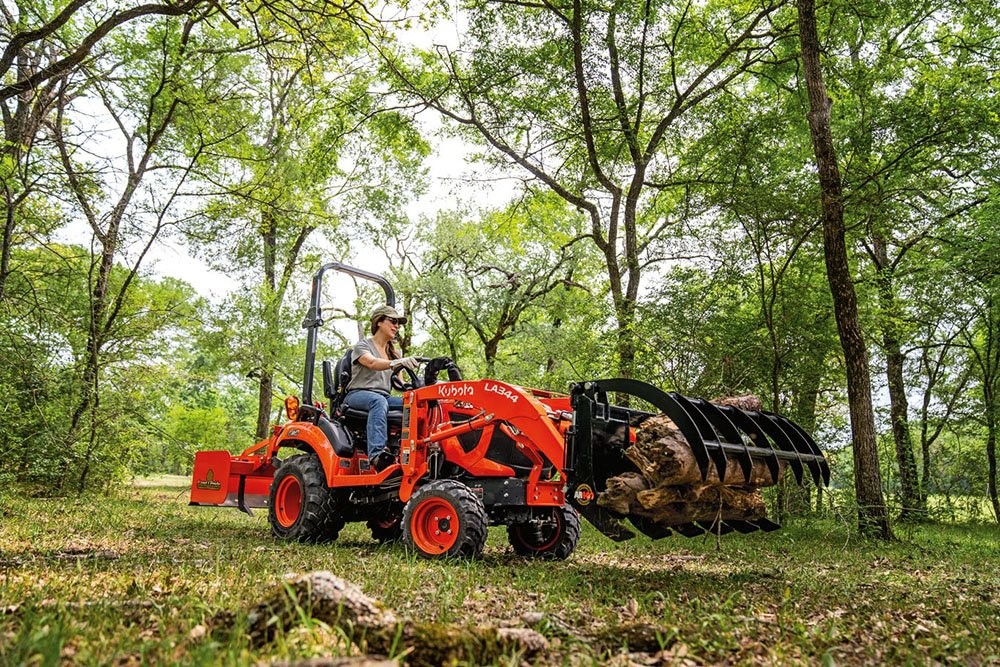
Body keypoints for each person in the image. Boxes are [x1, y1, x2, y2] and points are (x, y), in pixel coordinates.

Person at [343, 305, 419, 472]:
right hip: (358, 395)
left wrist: (419, 387)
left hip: (384, 397)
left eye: (398, 323)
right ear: (379, 322)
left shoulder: (394, 353)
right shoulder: (362, 346)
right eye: (393, 321)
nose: (397, 326)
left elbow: (401, 385)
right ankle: (377, 455)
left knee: (417, 405)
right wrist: (396, 363)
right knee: (378, 402)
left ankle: (417, 454)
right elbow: (372, 363)